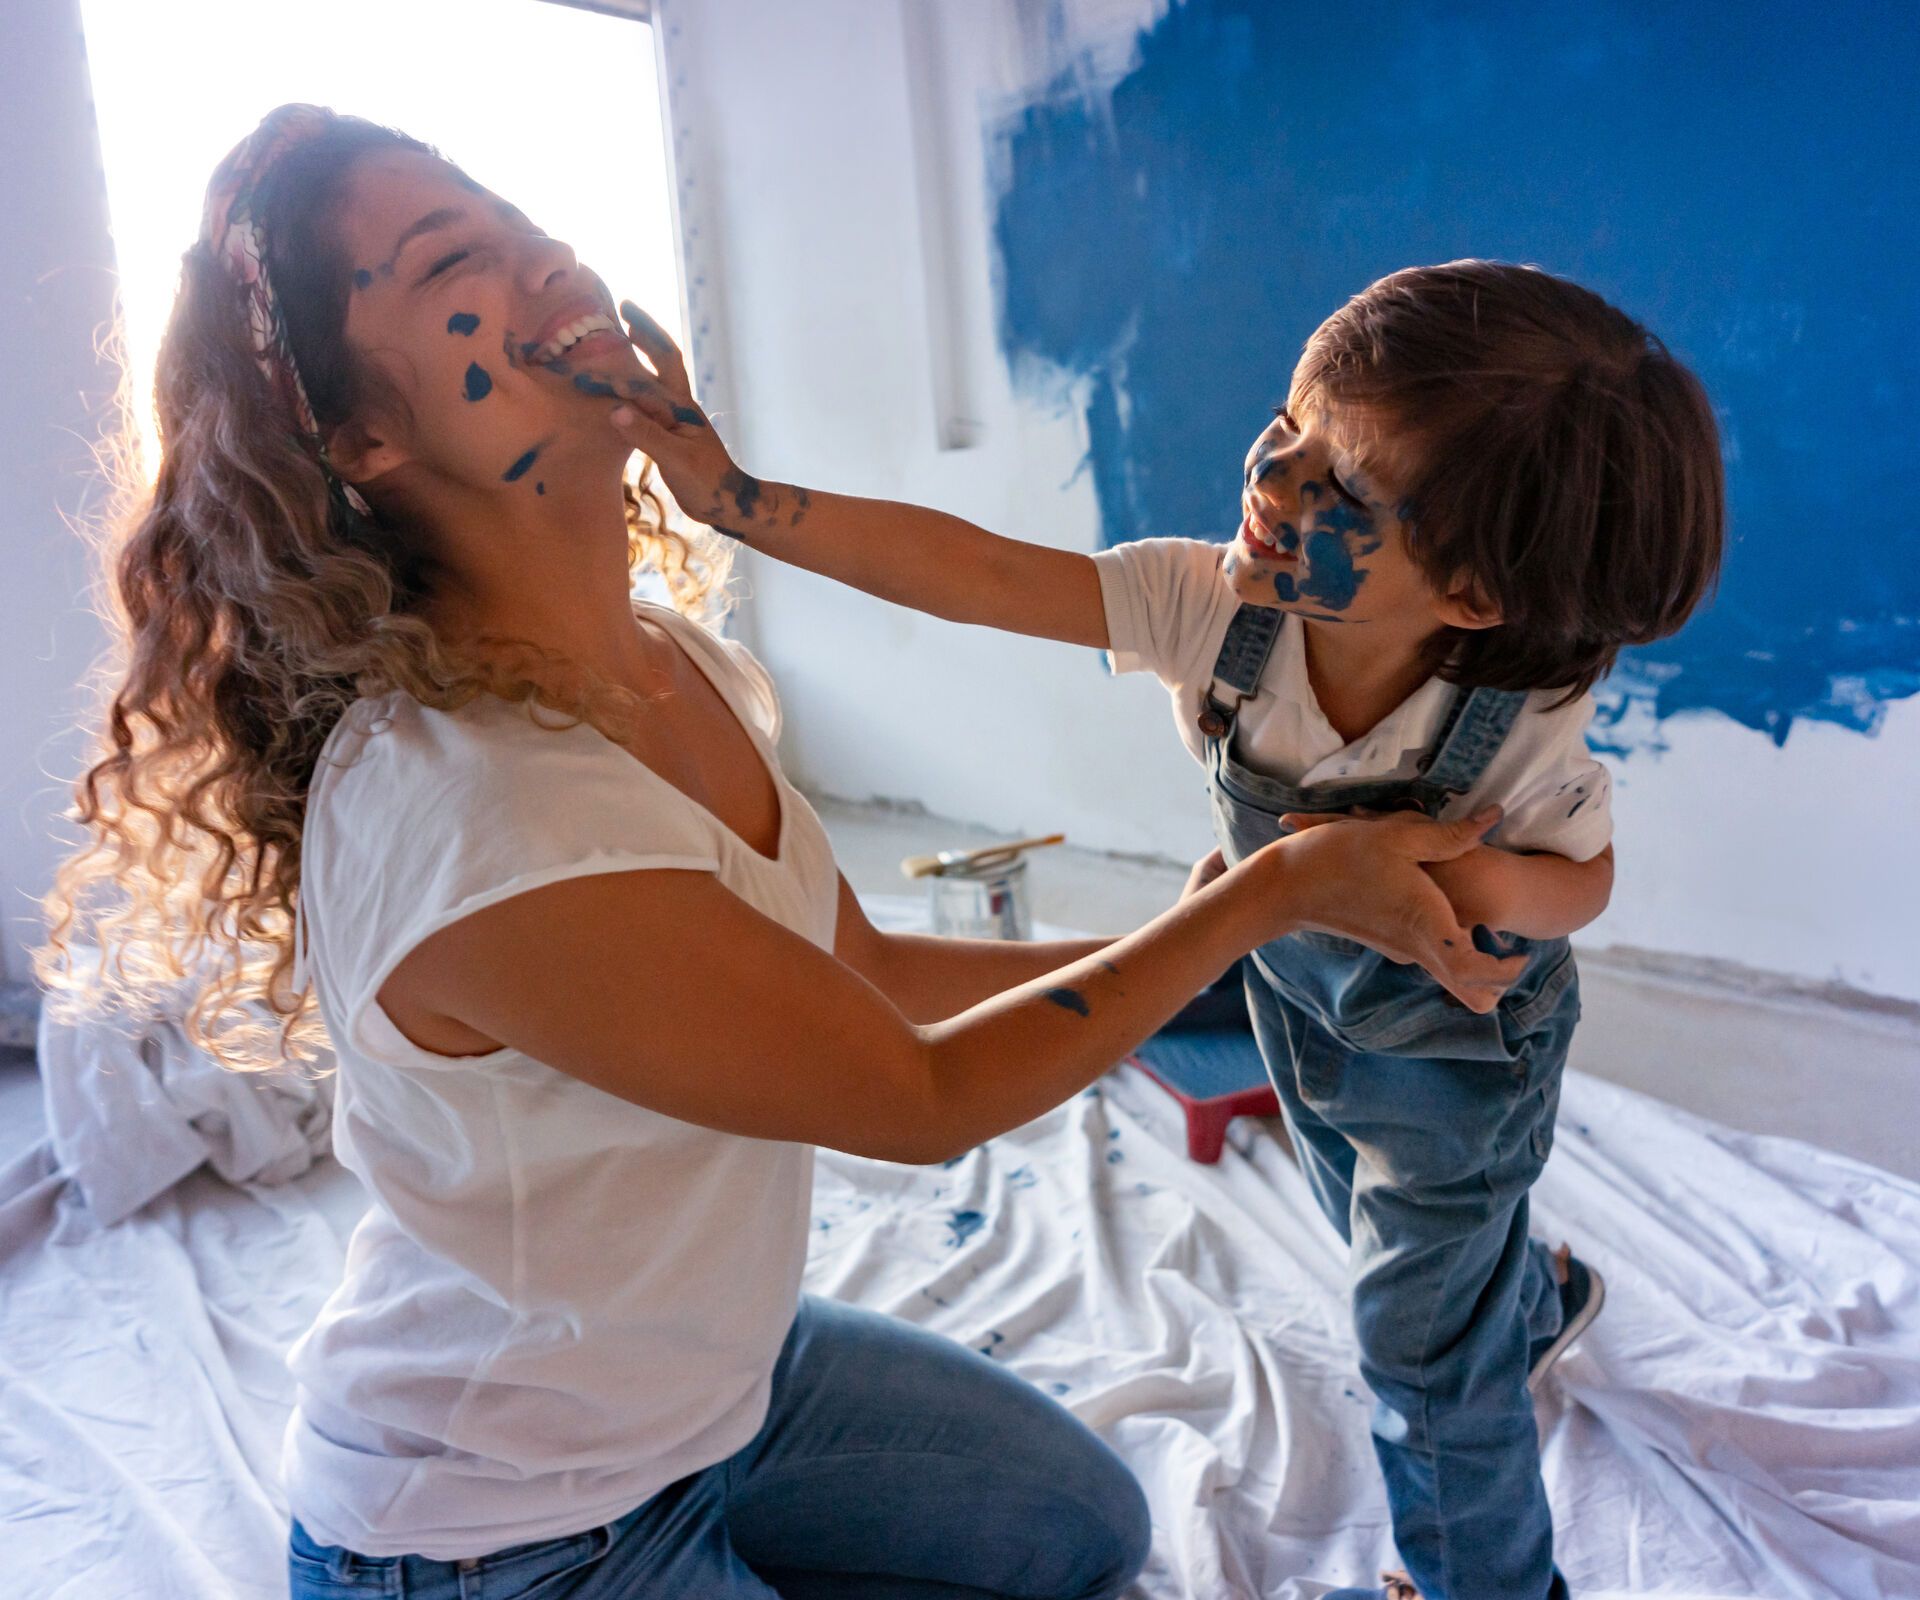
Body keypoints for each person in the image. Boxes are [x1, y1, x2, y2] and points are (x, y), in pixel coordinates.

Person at [39, 105, 1521, 1599]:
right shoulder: (480, 809)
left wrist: (1224, 949)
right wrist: (1260, 904)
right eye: (453, 262)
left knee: (1087, 1535)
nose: (543, 253)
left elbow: (860, 971)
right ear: (364, 438)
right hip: (506, 1532)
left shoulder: (664, 661)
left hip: (719, 1397)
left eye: (512, 211)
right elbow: (919, 1094)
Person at [619, 259, 1726, 1599]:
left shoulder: (1518, 723)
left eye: (1341, 486)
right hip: (1294, 998)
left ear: (1475, 596)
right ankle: (1529, 1299)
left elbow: (1584, 883)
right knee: (1369, 1225)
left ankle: (1488, 1578)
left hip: (1452, 1047)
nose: (1272, 477)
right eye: (1289, 422)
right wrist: (732, 500)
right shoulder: (1213, 608)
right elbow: (970, 571)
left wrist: (1484, 896)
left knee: (1415, 1346)